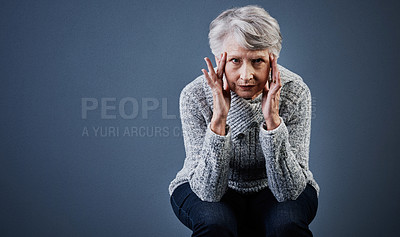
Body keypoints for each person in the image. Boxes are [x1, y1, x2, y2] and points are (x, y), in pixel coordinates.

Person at [169, 5, 319, 237]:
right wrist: (219, 118)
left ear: (273, 60)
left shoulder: (294, 91)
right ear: (220, 60)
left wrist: (272, 121)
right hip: (203, 182)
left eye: (257, 61)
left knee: (286, 225)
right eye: (236, 60)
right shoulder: (195, 95)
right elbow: (208, 192)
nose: (246, 75)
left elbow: (289, 191)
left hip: (276, 185)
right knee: (215, 224)